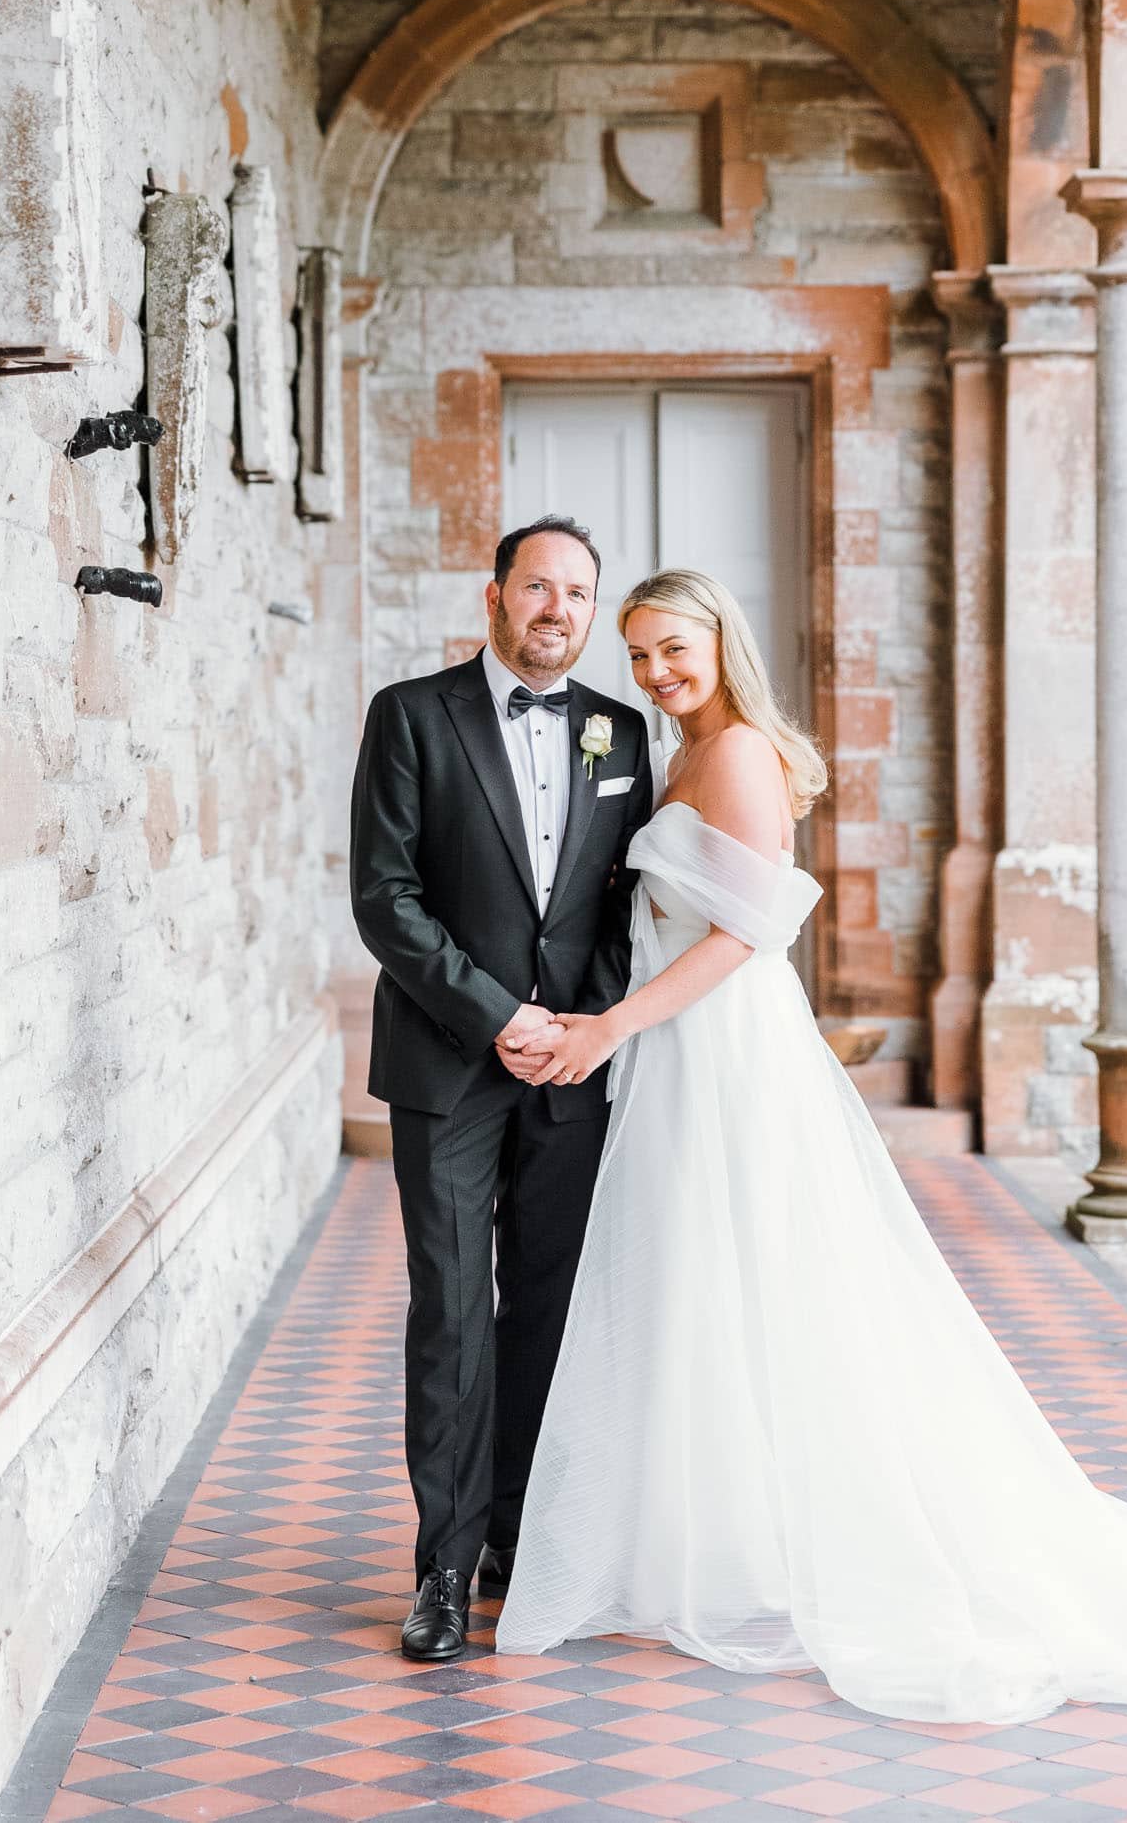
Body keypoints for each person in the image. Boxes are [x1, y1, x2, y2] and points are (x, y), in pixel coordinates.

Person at [494, 565, 1127, 1728]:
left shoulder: (734, 756)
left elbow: (749, 932)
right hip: (677, 1052)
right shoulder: (675, 750)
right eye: (637, 655)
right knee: (701, 1282)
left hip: (724, 1047)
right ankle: (716, 1520)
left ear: (721, 640)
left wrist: (612, 1028)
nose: (655, 673)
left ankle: (780, 1530)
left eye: (672, 648)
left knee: (758, 1278)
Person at [349, 516, 652, 1664]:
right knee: (451, 1311)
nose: (558, 610)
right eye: (539, 587)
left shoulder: (620, 733)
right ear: (495, 595)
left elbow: (626, 901)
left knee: (548, 1311)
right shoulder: (412, 716)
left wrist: (582, 1024)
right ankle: (440, 1562)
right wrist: (498, 1015)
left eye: (577, 593)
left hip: (572, 1071)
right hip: (447, 1064)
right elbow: (386, 899)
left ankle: (515, 1540)